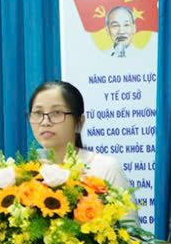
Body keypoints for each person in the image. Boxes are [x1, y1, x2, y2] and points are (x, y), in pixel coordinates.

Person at [27, 80, 137, 222]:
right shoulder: (25, 175)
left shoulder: (105, 168)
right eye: (38, 113)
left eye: (56, 113)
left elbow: (131, 232)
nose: (45, 122)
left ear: (79, 122)